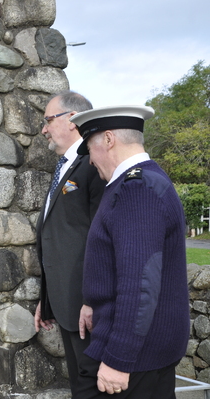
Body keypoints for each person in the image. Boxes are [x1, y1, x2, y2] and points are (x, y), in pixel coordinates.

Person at [70, 105, 190, 398]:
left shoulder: (137, 190)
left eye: (90, 149)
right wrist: (93, 303)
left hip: (136, 358)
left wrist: (118, 360)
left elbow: (140, 284)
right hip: (139, 350)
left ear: (108, 140)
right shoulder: (137, 182)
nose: (90, 162)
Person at [34, 91, 106, 395]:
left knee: (92, 382)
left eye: (49, 119)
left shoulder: (94, 163)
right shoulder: (65, 164)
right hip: (66, 301)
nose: (44, 128)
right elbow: (60, 238)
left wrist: (92, 298)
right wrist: (47, 296)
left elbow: (101, 237)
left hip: (86, 305)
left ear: (73, 119)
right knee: (80, 382)